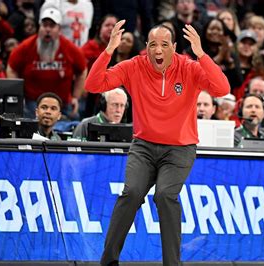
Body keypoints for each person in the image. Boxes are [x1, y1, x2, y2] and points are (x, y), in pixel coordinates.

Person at [85, 20, 229, 265]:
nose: (158, 50)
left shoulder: (190, 68)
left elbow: (221, 88)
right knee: (131, 193)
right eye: (153, 45)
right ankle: (108, 261)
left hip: (180, 149)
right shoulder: (134, 66)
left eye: (164, 44)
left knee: (164, 195)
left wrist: (202, 54)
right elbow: (93, 85)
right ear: (146, 47)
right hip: (144, 147)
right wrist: (109, 50)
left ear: (174, 47)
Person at [7, 6, 87, 119]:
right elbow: (11, 68)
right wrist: (19, 96)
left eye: (52, 26)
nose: (47, 30)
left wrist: (75, 97)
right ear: (39, 27)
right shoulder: (26, 46)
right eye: (44, 25)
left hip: (62, 103)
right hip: (33, 104)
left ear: (59, 29)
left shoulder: (69, 48)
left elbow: (82, 70)